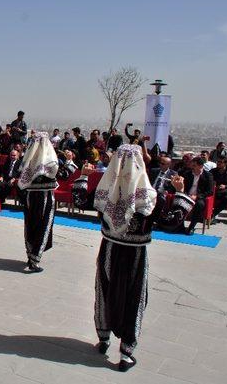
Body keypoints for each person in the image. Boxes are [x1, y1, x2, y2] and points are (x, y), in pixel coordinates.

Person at [91, 144, 160, 372]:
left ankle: (104, 339)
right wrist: (179, 193)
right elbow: (172, 220)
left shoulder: (106, 190)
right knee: (133, 298)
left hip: (110, 250)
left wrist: (83, 178)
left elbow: (82, 200)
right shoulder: (148, 197)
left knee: (106, 290)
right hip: (134, 257)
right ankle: (126, 354)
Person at [17, 132, 59, 273]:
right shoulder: (51, 160)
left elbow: (21, 179)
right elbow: (61, 174)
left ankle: (31, 255)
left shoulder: (28, 160)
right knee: (44, 225)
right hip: (44, 198)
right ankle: (34, 259)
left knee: (30, 224)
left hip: (30, 197)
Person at [183, 156, 214, 234]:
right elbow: (184, 187)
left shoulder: (208, 176)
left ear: (200, 166)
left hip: (199, 197)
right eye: (191, 165)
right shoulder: (188, 174)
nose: (192, 167)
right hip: (187, 195)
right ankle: (178, 224)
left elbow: (210, 191)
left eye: (194, 166)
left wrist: (197, 197)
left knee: (200, 204)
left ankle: (191, 227)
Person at [210, 156, 227, 223]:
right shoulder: (212, 171)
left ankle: (212, 214)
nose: (218, 163)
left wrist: (225, 186)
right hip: (213, 191)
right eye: (218, 162)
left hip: (224, 192)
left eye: (220, 162)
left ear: (225, 163)